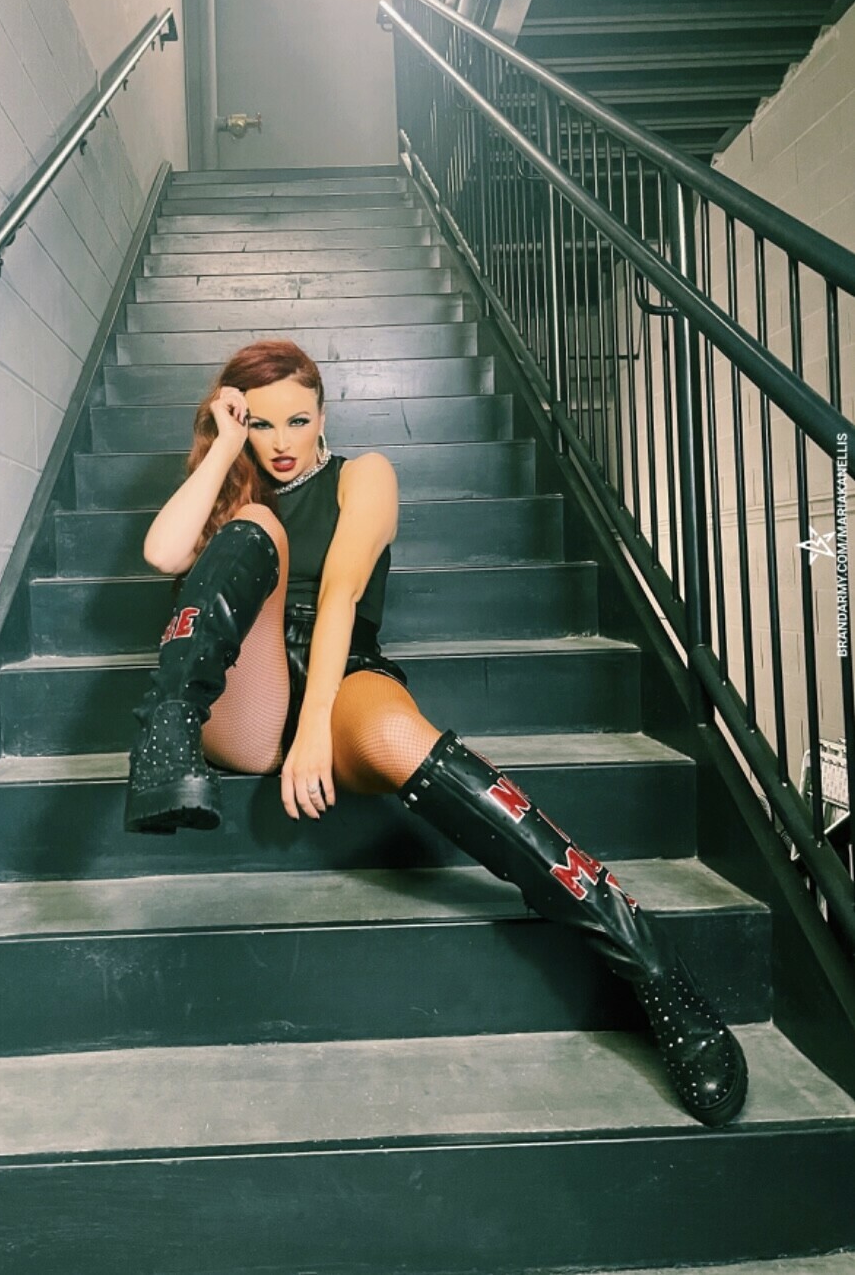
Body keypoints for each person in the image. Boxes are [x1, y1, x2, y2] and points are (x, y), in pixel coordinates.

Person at [124, 339, 748, 1128]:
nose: (280, 442)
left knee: (394, 732)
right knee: (255, 526)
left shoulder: (364, 475)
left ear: (324, 416)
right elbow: (163, 553)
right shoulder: (239, 491)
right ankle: (167, 729)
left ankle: (649, 959)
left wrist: (315, 726)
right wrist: (222, 446)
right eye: (261, 424)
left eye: (298, 420)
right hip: (242, 694)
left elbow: (342, 592)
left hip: (341, 672)